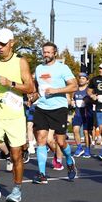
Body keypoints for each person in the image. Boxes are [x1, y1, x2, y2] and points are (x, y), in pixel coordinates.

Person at [0, 28, 34, 202]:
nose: (0, 47)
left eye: (3, 44)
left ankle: (17, 188)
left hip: (15, 113)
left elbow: (30, 87)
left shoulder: (21, 62)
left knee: (16, 154)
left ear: (12, 43)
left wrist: (10, 83)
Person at [32, 42, 78, 183]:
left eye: (48, 52)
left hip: (58, 108)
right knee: (41, 138)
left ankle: (69, 161)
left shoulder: (62, 68)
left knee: (60, 141)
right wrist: (32, 96)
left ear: (55, 53)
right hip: (42, 107)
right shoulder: (39, 68)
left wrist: (56, 90)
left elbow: (74, 86)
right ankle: (42, 174)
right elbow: (36, 86)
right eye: (44, 52)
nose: (46, 54)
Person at [71, 72, 93, 158]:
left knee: (86, 132)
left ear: (87, 81)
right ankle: (79, 147)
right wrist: (72, 101)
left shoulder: (89, 90)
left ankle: (87, 149)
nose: (81, 80)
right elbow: (72, 99)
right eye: (80, 78)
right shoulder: (75, 90)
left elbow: (93, 99)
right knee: (75, 130)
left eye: (83, 78)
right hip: (78, 113)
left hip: (87, 113)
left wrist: (89, 100)